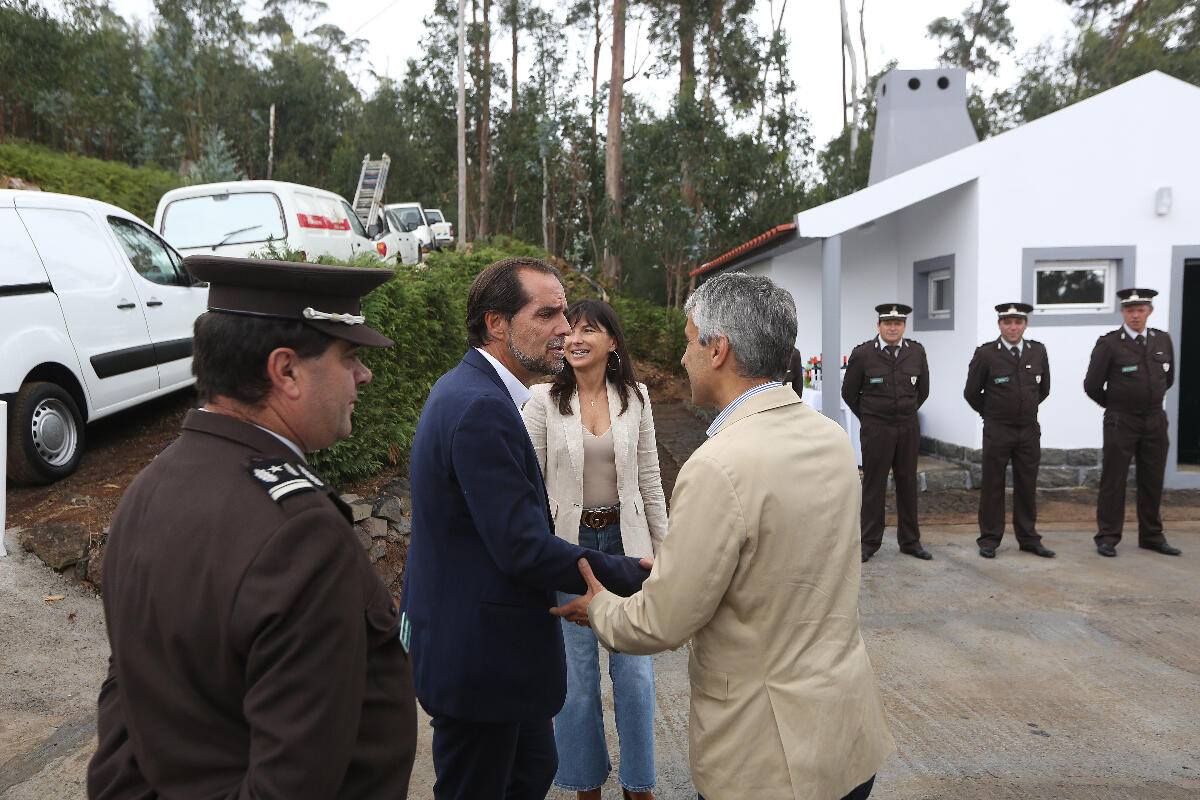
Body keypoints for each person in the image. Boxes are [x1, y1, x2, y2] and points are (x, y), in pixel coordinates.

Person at [552, 272, 895, 800]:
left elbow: (662, 621)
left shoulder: (719, 466)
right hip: (846, 734)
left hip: (768, 757)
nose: (683, 358)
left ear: (719, 350)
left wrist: (596, 608)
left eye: (690, 341)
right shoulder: (831, 438)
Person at [87, 256, 417, 799]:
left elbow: (128, 710)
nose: (365, 374)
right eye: (349, 355)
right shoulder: (300, 534)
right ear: (285, 371)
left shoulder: (150, 488)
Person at [400, 257, 652, 800]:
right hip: (481, 660)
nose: (566, 327)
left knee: (533, 767)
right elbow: (521, 546)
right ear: (497, 324)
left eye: (566, 312)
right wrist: (634, 574)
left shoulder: (478, 393)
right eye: (549, 314)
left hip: (495, 656)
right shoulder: (479, 408)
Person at [522, 299, 669, 800]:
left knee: (636, 675)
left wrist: (666, 555)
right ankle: (585, 785)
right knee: (577, 679)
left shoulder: (637, 398)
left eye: (589, 330)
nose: (574, 338)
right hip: (570, 547)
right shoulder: (542, 400)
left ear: (612, 342)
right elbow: (530, 485)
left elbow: (649, 480)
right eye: (571, 330)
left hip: (627, 545)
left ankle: (639, 786)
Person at [1083, 288, 1182, 557]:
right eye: (1130, 310)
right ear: (1122, 312)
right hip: (1121, 421)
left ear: (1149, 311)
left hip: (1154, 420)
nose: (1135, 315)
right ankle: (1107, 536)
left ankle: (1151, 535)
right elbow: (1091, 385)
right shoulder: (1110, 343)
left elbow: (1168, 378)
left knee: (1152, 479)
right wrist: (1116, 406)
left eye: (1140, 310)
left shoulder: (1162, 340)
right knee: (1114, 479)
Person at [964, 302, 1056, 559]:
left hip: (1028, 431)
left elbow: (1043, 388)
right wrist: (991, 413)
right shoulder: (986, 354)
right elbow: (971, 393)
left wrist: (1024, 410)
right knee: (993, 485)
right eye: (1007, 322)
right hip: (998, 430)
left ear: (1025, 324)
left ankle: (1029, 538)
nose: (1013, 327)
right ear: (1000, 325)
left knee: (1027, 484)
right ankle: (990, 539)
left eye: (1018, 322)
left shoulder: (1037, 351)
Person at [843, 303, 932, 562]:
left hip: (907, 428)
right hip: (877, 429)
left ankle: (910, 542)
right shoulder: (863, 354)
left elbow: (923, 390)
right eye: (887, 323)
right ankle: (868, 542)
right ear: (879, 326)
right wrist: (870, 417)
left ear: (904, 326)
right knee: (874, 485)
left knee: (908, 484)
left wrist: (905, 411)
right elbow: (849, 393)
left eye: (898, 324)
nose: (893, 328)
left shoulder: (916, 352)